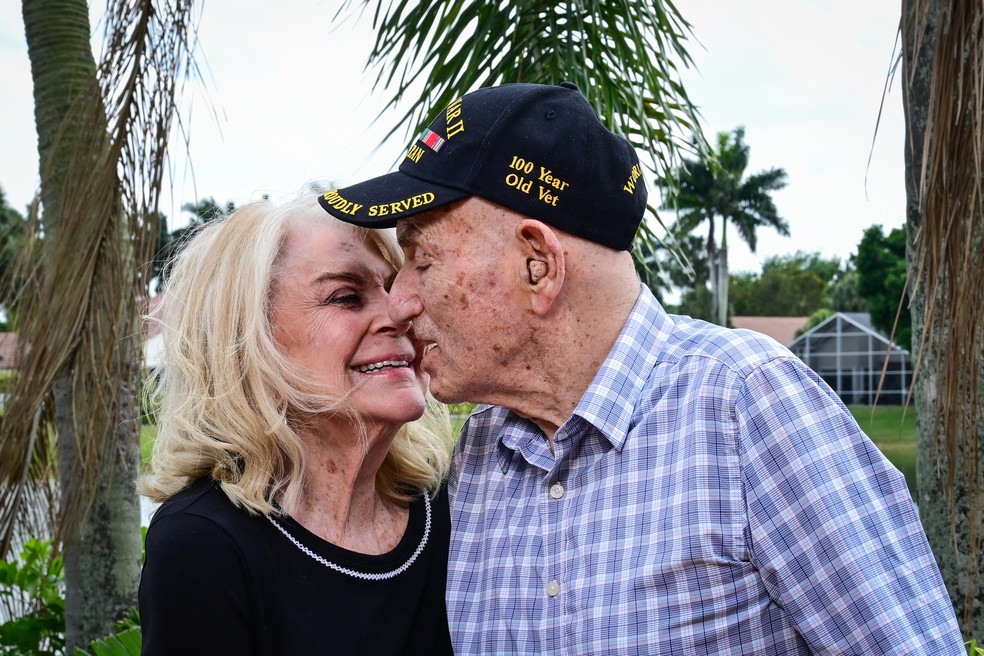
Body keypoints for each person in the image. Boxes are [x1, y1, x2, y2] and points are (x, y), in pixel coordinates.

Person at [317, 82, 966, 654]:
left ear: (537, 265)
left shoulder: (749, 408)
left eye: (423, 260)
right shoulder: (481, 446)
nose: (399, 302)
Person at [137, 193, 454, 655]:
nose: (399, 314)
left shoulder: (455, 503)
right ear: (249, 343)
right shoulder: (202, 544)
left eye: (394, 287)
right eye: (346, 297)